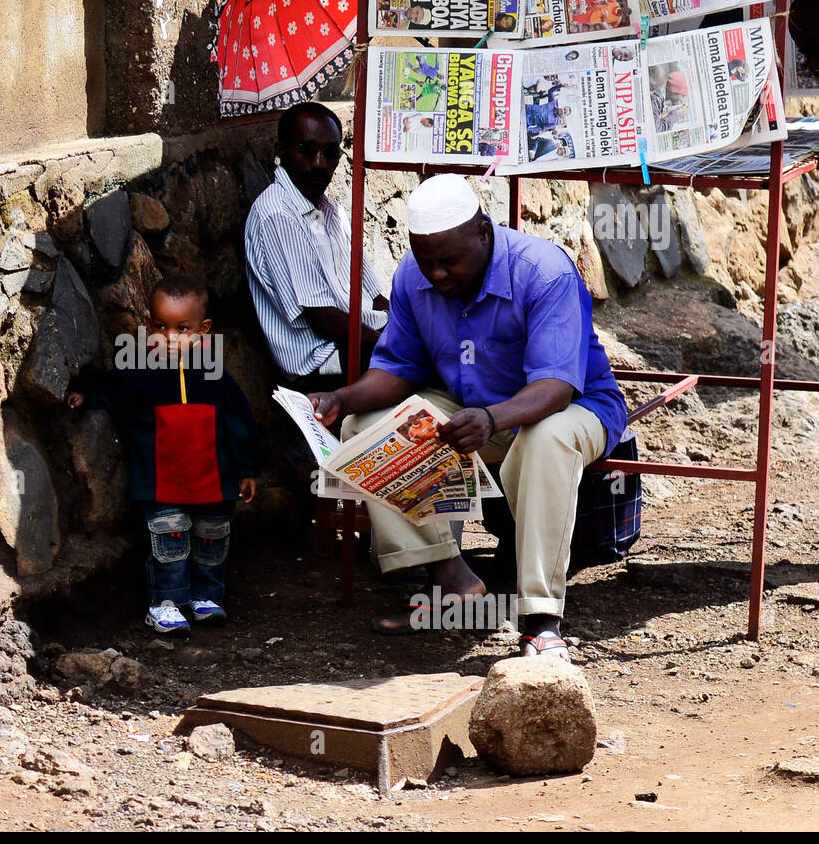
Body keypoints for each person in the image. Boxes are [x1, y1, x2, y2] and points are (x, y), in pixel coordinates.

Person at [308, 175, 627, 662]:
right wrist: (341, 398)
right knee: (365, 424)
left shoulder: (543, 271)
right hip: (476, 411)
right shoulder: (412, 278)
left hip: (571, 408)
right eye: (426, 260)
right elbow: (398, 369)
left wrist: (491, 417)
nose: (435, 274)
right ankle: (449, 577)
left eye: (448, 261)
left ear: (484, 232)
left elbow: (556, 385)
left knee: (546, 442)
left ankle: (541, 619)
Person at [66, 276, 261, 635]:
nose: (169, 337)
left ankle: (206, 596)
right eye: (160, 326)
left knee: (211, 538)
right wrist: (85, 396)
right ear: (148, 323)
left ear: (203, 330)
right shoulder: (138, 370)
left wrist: (247, 468)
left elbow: (239, 421)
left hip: (214, 479)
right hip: (161, 481)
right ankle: (166, 603)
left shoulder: (215, 375)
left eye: (181, 329)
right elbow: (111, 388)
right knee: (167, 541)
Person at [245, 102, 389, 393]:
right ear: (281, 150)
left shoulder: (330, 209)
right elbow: (322, 318)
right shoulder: (278, 214)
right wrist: (392, 346)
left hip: (357, 336)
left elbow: (375, 297)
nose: (320, 163)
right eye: (307, 150)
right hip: (322, 360)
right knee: (417, 368)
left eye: (330, 153)